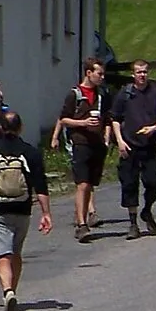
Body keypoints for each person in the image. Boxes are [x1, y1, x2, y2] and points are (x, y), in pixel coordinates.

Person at [0, 110, 52, 311]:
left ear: (0, 128)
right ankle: (13, 292)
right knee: (15, 252)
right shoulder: (30, 152)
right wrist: (46, 213)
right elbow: (41, 184)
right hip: (22, 209)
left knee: (2, 254)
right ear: (20, 128)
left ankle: (8, 292)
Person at [108, 60, 156, 239]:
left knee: (152, 181)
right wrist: (119, 141)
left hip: (149, 145)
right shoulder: (125, 94)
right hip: (129, 145)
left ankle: (147, 210)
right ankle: (133, 223)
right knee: (129, 183)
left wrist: (154, 128)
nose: (142, 75)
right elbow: (115, 118)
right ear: (133, 74)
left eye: (145, 72)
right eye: (139, 72)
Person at [50, 56, 108, 242]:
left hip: (97, 144)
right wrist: (82, 123)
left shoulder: (101, 95)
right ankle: (81, 224)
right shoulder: (74, 94)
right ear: (88, 73)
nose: (102, 77)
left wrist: (107, 136)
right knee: (82, 183)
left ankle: (83, 215)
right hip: (80, 142)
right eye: (99, 73)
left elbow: (108, 118)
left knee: (90, 184)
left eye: (103, 74)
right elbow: (64, 118)